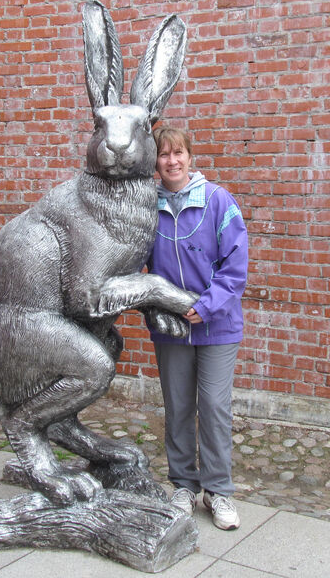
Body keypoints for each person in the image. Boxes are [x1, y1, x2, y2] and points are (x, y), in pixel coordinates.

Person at [146, 126, 248, 530]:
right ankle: (184, 485)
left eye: (178, 153)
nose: (172, 161)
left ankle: (218, 491)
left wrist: (206, 307)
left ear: (190, 157)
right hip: (171, 329)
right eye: (163, 154)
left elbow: (235, 266)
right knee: (178, 407)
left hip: (218, 326)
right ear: (155, 162)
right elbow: (135, 262)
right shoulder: (146, 207)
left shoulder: (217, 200)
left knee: (215, 407)